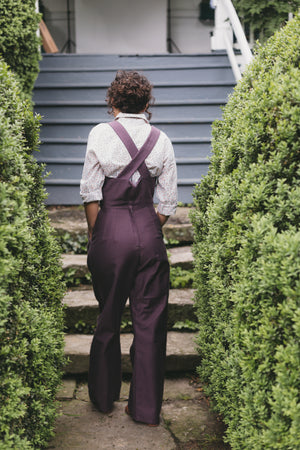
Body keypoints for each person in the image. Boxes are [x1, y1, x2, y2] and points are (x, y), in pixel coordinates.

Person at [80, 70, 177, 426]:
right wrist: (148, 228)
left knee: (108, 316)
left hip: (110, 232)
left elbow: (91, 193)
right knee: (150, 322)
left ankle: (104, 397)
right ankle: (146, 409)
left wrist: (97, 234)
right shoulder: (161, 139)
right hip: (149, 235)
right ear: (148, 104)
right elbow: (167, 204)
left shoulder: (99, 134)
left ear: (113, 102)